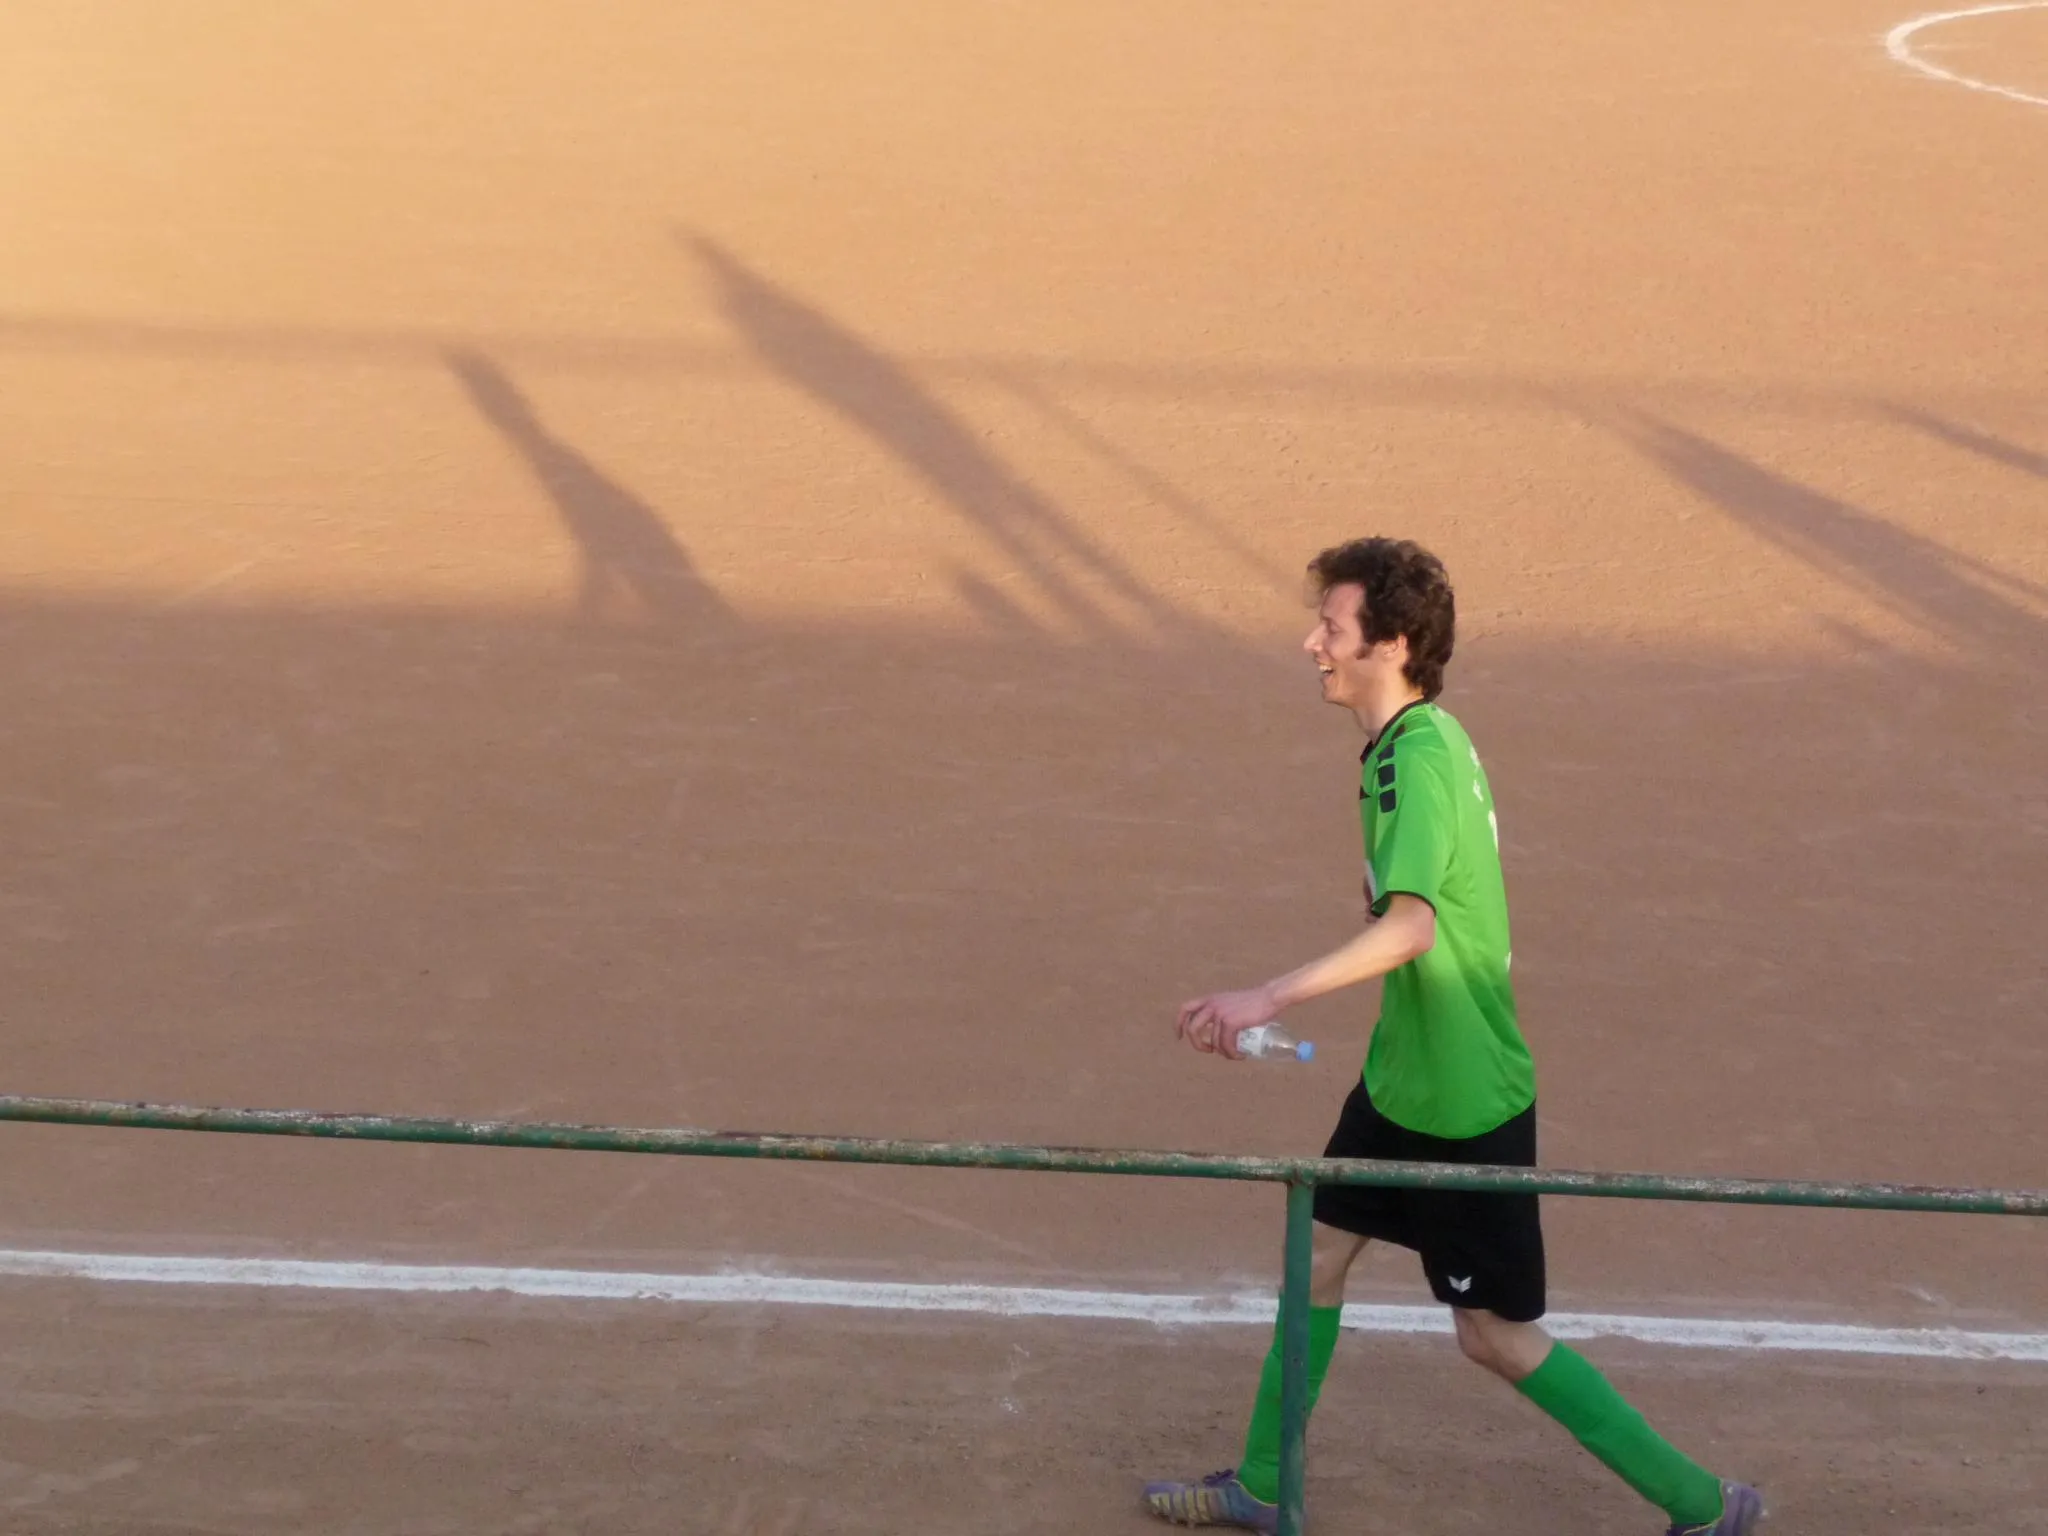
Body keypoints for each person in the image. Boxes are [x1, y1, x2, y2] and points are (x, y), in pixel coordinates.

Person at [1142, 539, 1762, 1535]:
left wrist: (1266, 996)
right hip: (1403, 1082)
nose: (1312, 644)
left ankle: (1701, 1503)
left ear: (1389, 644)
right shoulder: (1416, 740)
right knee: (1316, 1255)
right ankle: (1261, 1483)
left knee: (1491, 1335)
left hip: (1463, 1101)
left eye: (1332, 629)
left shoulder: (1416, 764)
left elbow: (1411, 929)